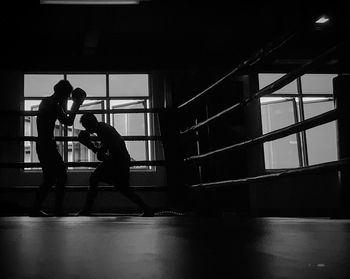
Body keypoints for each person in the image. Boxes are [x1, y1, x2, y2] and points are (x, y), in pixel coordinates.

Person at [76, 112, 154, 217]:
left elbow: (101, 155)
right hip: (118, 160)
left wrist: (89, 145)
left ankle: (87, 209)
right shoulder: (102, 128)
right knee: (121, 187)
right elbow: (104, 153)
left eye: (86, 126)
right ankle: (147, 208)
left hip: (118, 161)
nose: (87, 129)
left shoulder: (103, 130)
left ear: (91, 123)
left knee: (100, 180)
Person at [29, 80, 86, 217]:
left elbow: (62, 113)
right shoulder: (54, 105)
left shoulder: (46, 101)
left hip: (43, 144)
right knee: (60, 175)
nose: (67, 99)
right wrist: (76, 104)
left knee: (51, 178)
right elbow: (68, 121)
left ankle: (37, 208)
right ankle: (56, 209)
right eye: (67, 96)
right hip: (47, 144)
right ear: (63, 94)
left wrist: (68, 103)